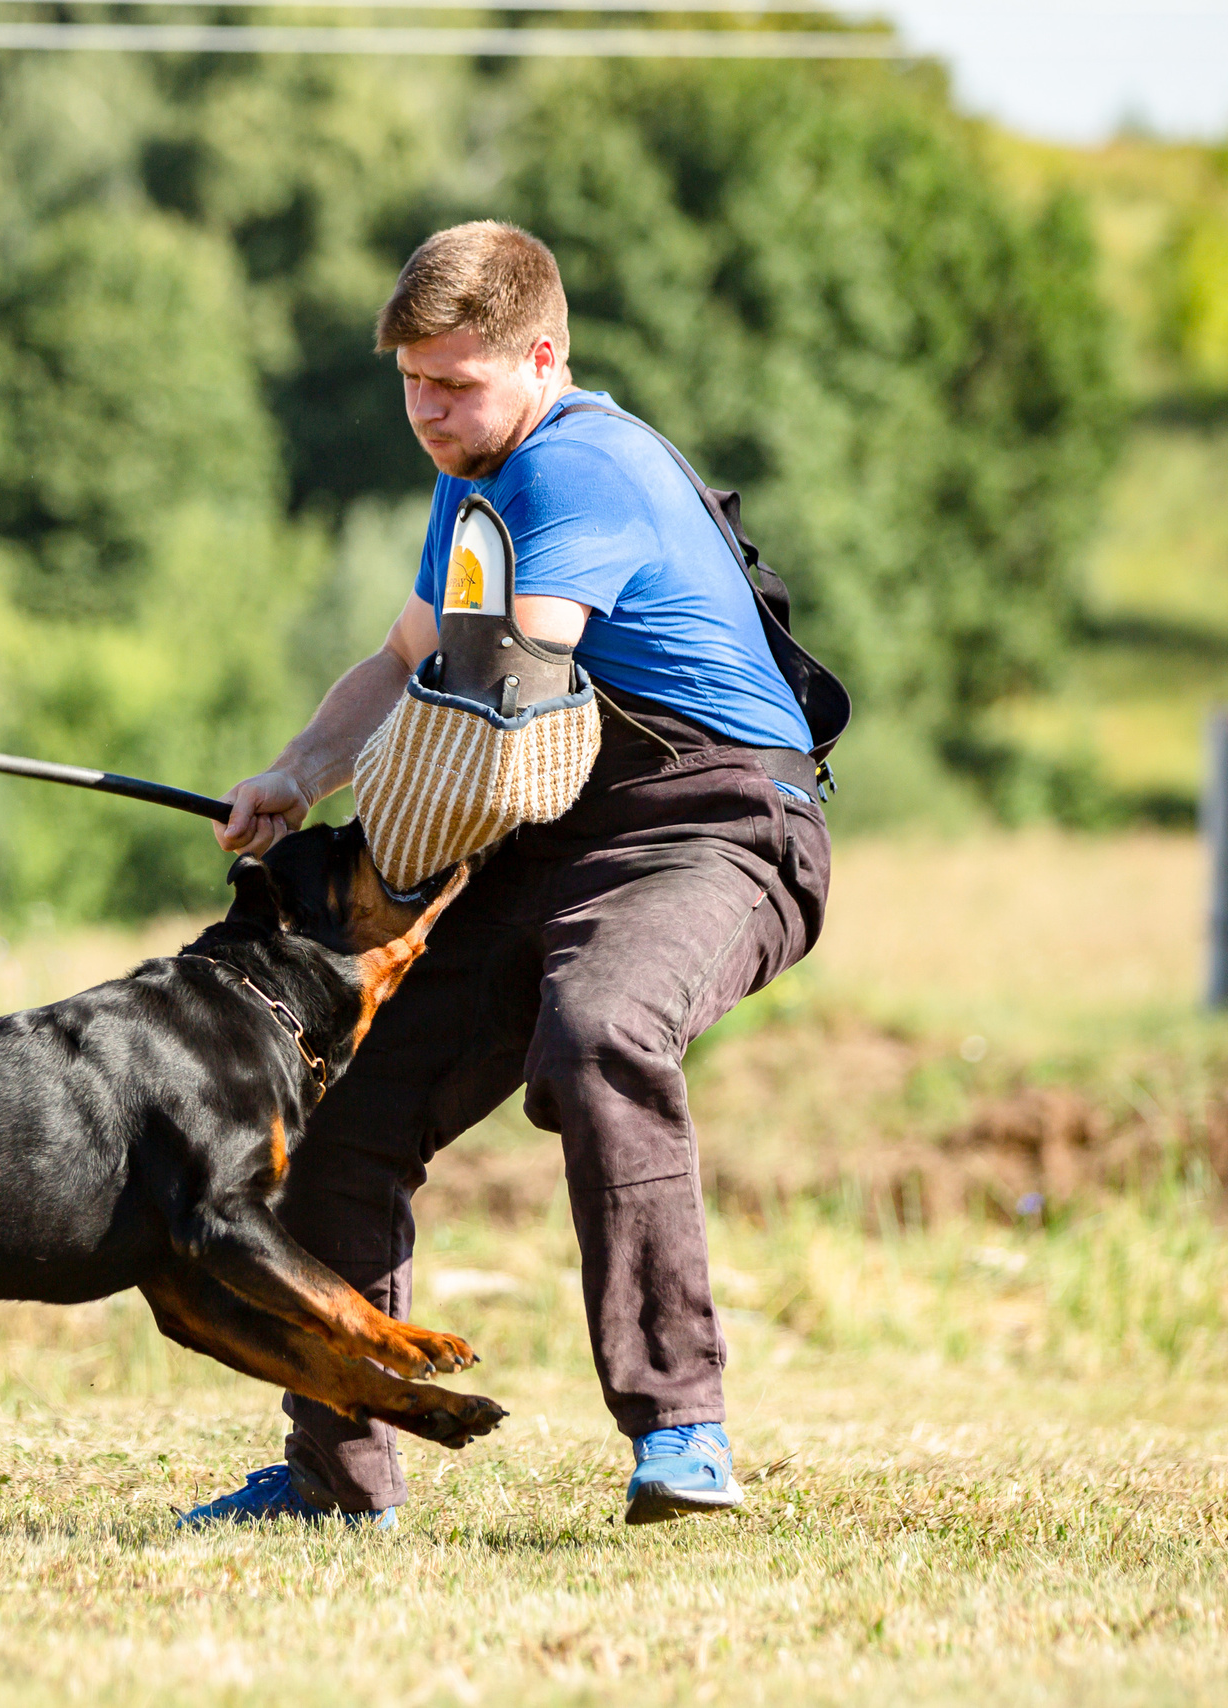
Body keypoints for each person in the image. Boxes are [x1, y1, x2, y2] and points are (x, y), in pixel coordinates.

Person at [183, 221, 830, 1529]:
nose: (426, 411)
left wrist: (365, 879)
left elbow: (492, 716)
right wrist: (295, 777)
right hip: (559, 837)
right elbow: (402, 661)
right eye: (412, 383)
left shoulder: (577, 472)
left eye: (455, 383)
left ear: (544, 355)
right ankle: (336, 1480)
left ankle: (682, 1435)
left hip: (718, 826)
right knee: (346, 1127)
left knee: (601, 1031)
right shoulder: (474, 477)